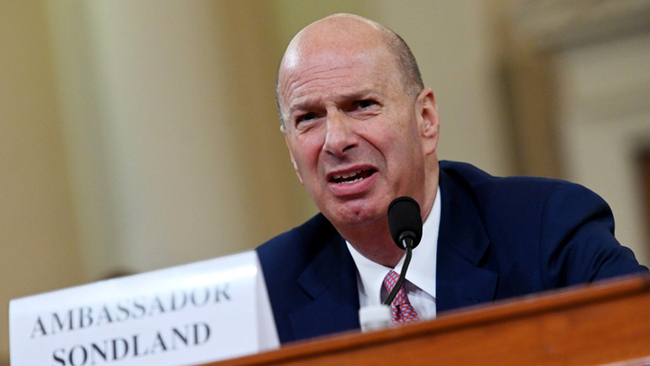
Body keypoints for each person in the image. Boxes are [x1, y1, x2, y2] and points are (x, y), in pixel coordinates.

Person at [256, 13, 648, 345]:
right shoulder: (266, 288)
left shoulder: (546, 229)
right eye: (308, 118)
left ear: (425, 119)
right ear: (292, 151)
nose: (336, 140)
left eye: (361, 105)